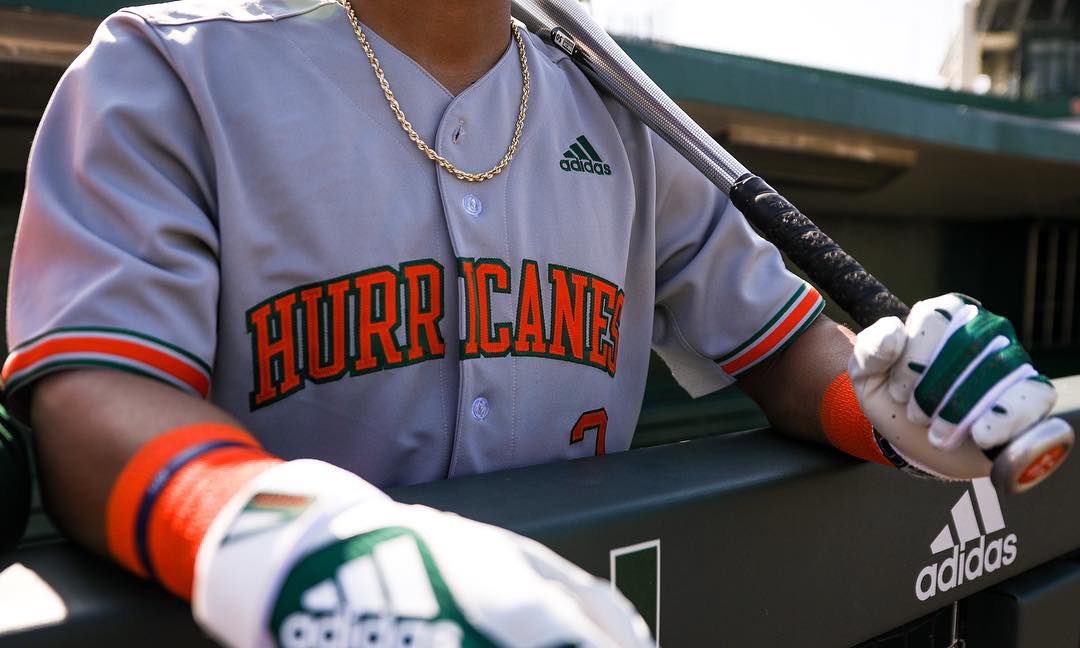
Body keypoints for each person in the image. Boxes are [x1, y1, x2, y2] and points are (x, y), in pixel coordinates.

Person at [3, 0, 1066, 645]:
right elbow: (92, 399)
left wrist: (888, 408)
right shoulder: (168, 65)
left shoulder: (624, 107)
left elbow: (789, 351)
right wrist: (306, 552)